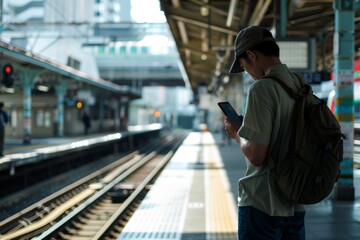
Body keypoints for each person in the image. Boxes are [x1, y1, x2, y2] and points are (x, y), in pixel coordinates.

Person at [224, 26, 306, 239]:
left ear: (251, 55)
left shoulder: (261, 89)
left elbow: (257, 156)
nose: (248, 73)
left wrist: (237, 134)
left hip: (262, 201)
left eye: (244, 66)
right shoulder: (299, 84)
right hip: (295, 201)